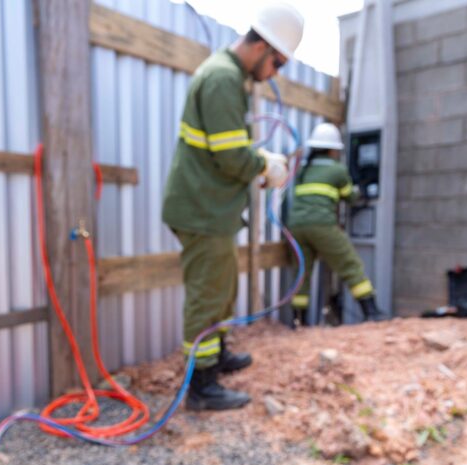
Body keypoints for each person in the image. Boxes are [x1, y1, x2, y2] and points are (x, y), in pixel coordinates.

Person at [162, 2, 304, 411]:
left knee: (222, 290)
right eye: (278, 62)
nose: (275, 73)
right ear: (263, 47)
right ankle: (202, 385)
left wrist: (258, 165)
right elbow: (232, 158)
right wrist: (266, 165)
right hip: (202, 210)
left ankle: (216, 356)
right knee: (208, 295)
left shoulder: (227, 76)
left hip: (211, 209)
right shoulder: (223, 78)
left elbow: (225, 152)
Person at [287, 122, 388, 325]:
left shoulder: (303, 171)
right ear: (333, 150)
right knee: (349, 264)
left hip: (296, 227)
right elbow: (350, 197)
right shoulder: (337, 170)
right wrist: (362, 189)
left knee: (302, 274)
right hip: (322, 225)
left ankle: (299, 322)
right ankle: (371, 312)